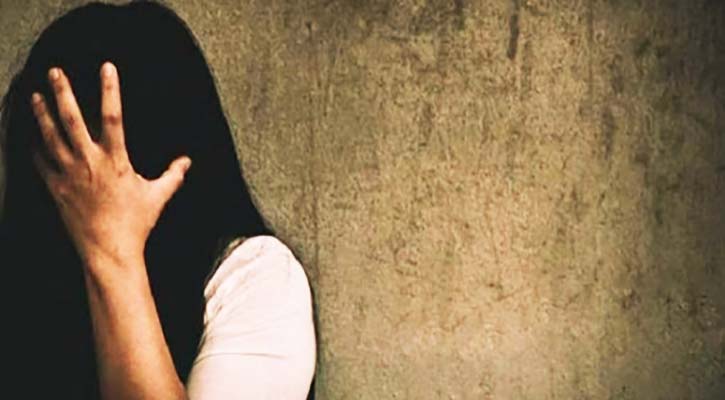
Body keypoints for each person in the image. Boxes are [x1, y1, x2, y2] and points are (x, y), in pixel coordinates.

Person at [0, 1, 316, 399]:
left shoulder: (254, 277)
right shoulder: (25, 278)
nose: (87, 181)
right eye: (58, 149)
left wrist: (112, 250)